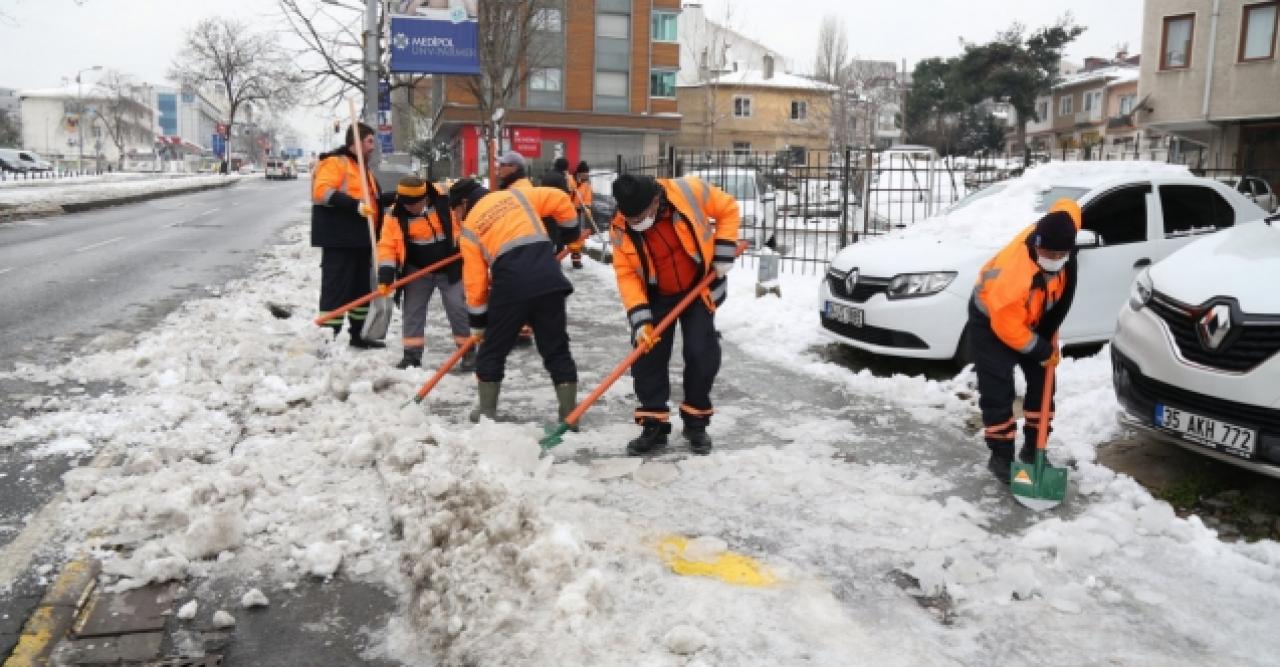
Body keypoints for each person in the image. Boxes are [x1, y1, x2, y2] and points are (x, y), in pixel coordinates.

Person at [609, 174, 740, 456]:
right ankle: (653, 425)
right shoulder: (621, 226)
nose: (634, 223)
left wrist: (724, 252)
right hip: (656, 293)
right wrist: (641, 320)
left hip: (697, 286)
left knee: (700, 352)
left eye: (640, 216)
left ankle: (696, 423)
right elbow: (626, 274)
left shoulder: (688, 192)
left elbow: (727, 207)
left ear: (656, 200)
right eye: (629, 218)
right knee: (647, 355)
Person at [457, 154, 583, 424]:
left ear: (464, 204)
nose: (455, 217)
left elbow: (474, 281)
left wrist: (478, 323)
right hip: (549, 279)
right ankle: (569, 414)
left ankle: (487, 412)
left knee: (493, 349)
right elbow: (561, 200)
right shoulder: (517, 196)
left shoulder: (468, 228)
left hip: (511, 286)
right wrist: (572, 236)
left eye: (455, 211)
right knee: (556, 348)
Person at [968, 199, 1082, 484]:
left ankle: (1035, 449)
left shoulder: (1061, 232)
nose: (1054, 257)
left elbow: (1068, 207)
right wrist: (1041, 349)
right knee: (997, 386)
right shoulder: (1013, 275)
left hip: (1034, 319)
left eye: (1060, 253)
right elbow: (1007, 326)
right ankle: (1001, 456)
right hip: (993, 322)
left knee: (1044, 381)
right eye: (1047, 252)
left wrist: (1045, 339)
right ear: (1035, 245)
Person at [311, 122, 395, 348]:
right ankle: (326, 338)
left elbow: (373, 201)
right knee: (336, 290)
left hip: (361, 241)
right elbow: (321, 191)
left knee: (360, 291)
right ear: (355, 143)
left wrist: (399, 197)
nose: (373, 147)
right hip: (339, 240)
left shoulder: (362, 169)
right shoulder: (335, 163)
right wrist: (353, 205)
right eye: (369, 141)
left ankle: (359, 335)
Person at [376, 175, 472, 371]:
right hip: (417, 269)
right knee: (413, 311)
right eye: (405, 203)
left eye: (413, 204)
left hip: (449, 266)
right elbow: (387, 246)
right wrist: (386, 274)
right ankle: (411, 355)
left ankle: (468, 352)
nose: (409, 208)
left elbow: (467, 202)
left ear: (424, 197)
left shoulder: (445, 200)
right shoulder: (395, 214)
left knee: (458, 307)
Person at [568, 161, 593, 269]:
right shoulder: (570, 181)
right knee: (566, 235)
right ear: (579, 173)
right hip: (566, 211)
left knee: (578, 236)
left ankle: (576, 260)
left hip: (579, 212)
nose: (586, 176)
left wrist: (586, 208)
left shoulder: (586, 185)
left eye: (587, 174)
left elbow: (587, 200)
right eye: (584, 174)